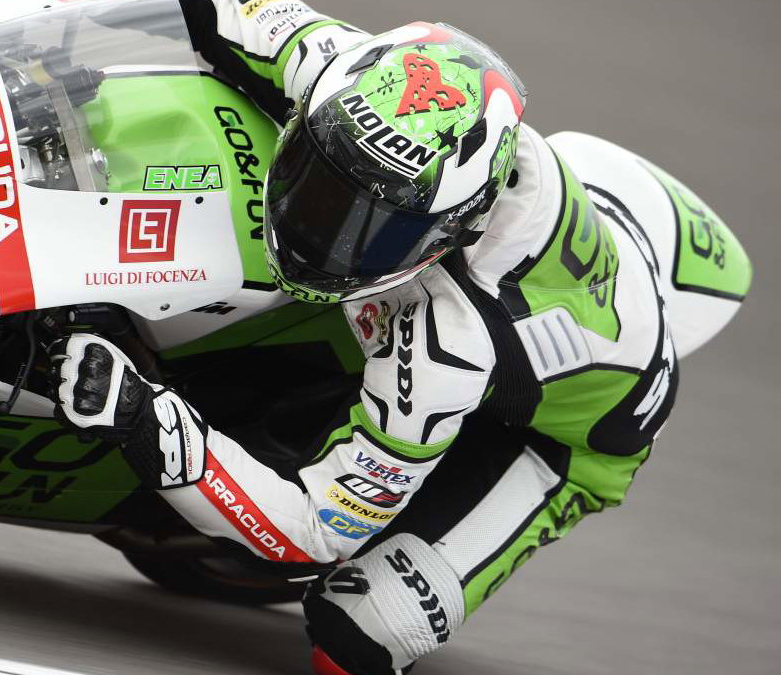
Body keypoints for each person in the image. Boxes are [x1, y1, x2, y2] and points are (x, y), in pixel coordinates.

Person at [51, 1, 753, 673]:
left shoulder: (454, 339)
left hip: (564, 439)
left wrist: (145, 420)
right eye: (320, 181)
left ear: (454, 227)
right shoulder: (349, 76)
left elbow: (317, 528)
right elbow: (226, 11)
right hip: (585, 230)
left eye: (373, 225)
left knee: (358, 632)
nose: (320, 231)